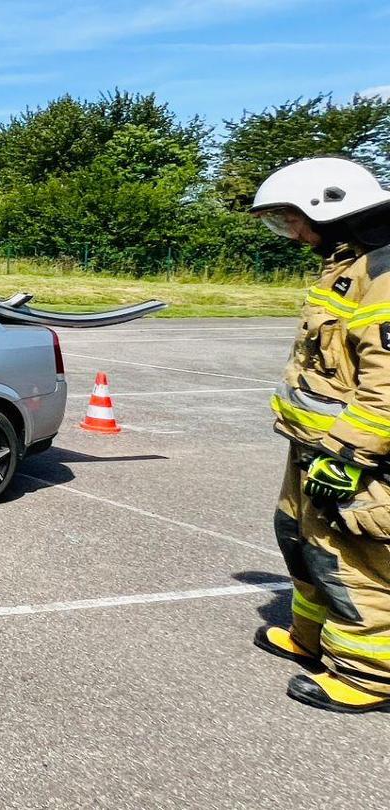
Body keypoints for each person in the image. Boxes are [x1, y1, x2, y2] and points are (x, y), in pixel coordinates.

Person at [250, 156, 390, 713]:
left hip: (356, 455)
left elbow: (387, 387)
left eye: (291, 219)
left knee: (351, 555)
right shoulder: (348, 264)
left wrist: (350, 455)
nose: (291, 232)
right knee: (300, 540)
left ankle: (368, 677)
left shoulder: (383, 276)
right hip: (313, 445)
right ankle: (310, 641)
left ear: (330, 209)